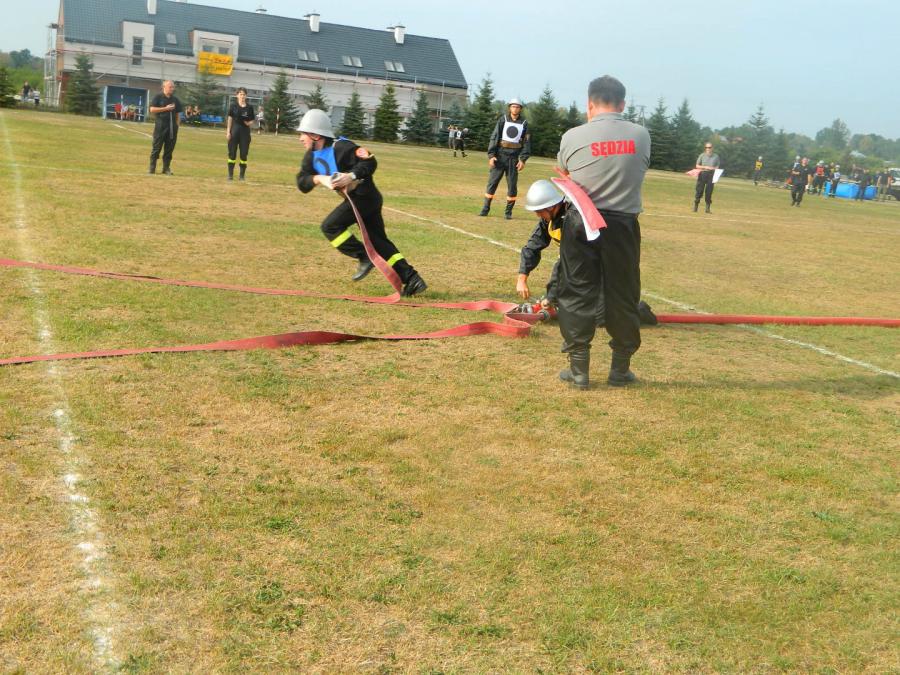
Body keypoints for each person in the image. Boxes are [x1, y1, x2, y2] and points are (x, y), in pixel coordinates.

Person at [555, 75, 651, 389]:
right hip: (623, 225)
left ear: (590, 104)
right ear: (622, 104)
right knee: (623, 293)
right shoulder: (641, 135)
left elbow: (565, 172)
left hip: (581, 222)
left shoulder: (572, 135)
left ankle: (579, 369)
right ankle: (620, 369)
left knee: (577, 290)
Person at [295, 108, 427, 296]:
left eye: (303, 134)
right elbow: (302, 183)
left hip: (365, 197)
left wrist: (351, 176)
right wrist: (319, 179)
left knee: (330, 226)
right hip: (362, 200)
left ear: (316, 135)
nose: (300, 138)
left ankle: (364, 256)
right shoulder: (311, 156)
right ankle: (412, 279)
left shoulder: (342, 147)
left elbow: (370, 162)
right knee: (379, 242)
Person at [517, 179, 657, 330]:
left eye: (539, 211)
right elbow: (532, 247)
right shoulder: (549, 219)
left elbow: (565, 263)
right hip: (583, 267)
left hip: (606, 266)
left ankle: (637, 311)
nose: (537, 215)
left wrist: (550, 297)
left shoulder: (574, 220)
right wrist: (522, 278)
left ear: (551, 207)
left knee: (601, 318)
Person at [478, 98, 531, 219]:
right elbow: (495, 137)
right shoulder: (503, 120)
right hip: (500, 157)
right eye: (513, 106)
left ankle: (508, 213)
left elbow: (527, 142)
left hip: (514, 159)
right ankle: (485, 209)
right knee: (492, 183)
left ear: (520, 109)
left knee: (512, 186)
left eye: (517, 107)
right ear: (509, 108)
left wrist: (522, 159)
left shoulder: (524, 123)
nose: (515, 109)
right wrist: (491, 156)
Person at [148, 80, 183, 175]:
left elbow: (178, 114)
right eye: (170, 87)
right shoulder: (158, 97)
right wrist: (165, 108)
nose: (172, 89)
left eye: (173, 87)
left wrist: (177, 126)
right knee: (156, 148)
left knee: (169, 149)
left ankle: (166, 168)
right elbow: (152, 109)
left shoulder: (175, 100)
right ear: (164, 87)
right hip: (160, 127)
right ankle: (152, 168)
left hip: (172, 128)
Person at [226, 87, 255, 181]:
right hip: (234, 131)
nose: (242, 96)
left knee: (243, 154)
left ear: (246, 96)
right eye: (241, 94)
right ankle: (230, 175)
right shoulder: (233, 106)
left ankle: (242, 176)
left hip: (245, 133)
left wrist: (249, 123)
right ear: (237, 95)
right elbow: (230, 119)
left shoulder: (249, 107)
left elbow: (252, 120)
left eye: (244, 94)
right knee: (232, 154)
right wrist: (228, 132)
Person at [693, 142, 720, 213]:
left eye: (709, 147)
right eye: (706, 147)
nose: (708, 149)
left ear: (712, 148)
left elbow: (717, 166)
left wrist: (712, 168)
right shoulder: (702, 155)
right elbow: (697, 166)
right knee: (699, 190)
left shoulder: (716, 156)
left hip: (711, 175)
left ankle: (707, 209)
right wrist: (705, 167)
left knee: (709, 192)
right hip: (702, 174)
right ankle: (695, 207)